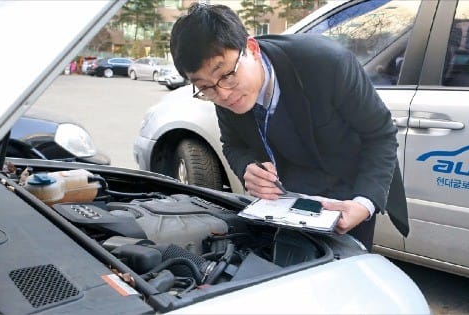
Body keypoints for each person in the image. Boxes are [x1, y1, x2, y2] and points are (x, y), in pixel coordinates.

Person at [169, 3, 408, 251]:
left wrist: (364, 203)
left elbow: (381, 136)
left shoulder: (326, 63)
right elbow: (233, 145)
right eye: (205, 87)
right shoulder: (221, 87)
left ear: (251, 49)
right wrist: (248, 168)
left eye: (226, 76)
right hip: (284, 201)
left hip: (346, 193)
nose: (223, 94)